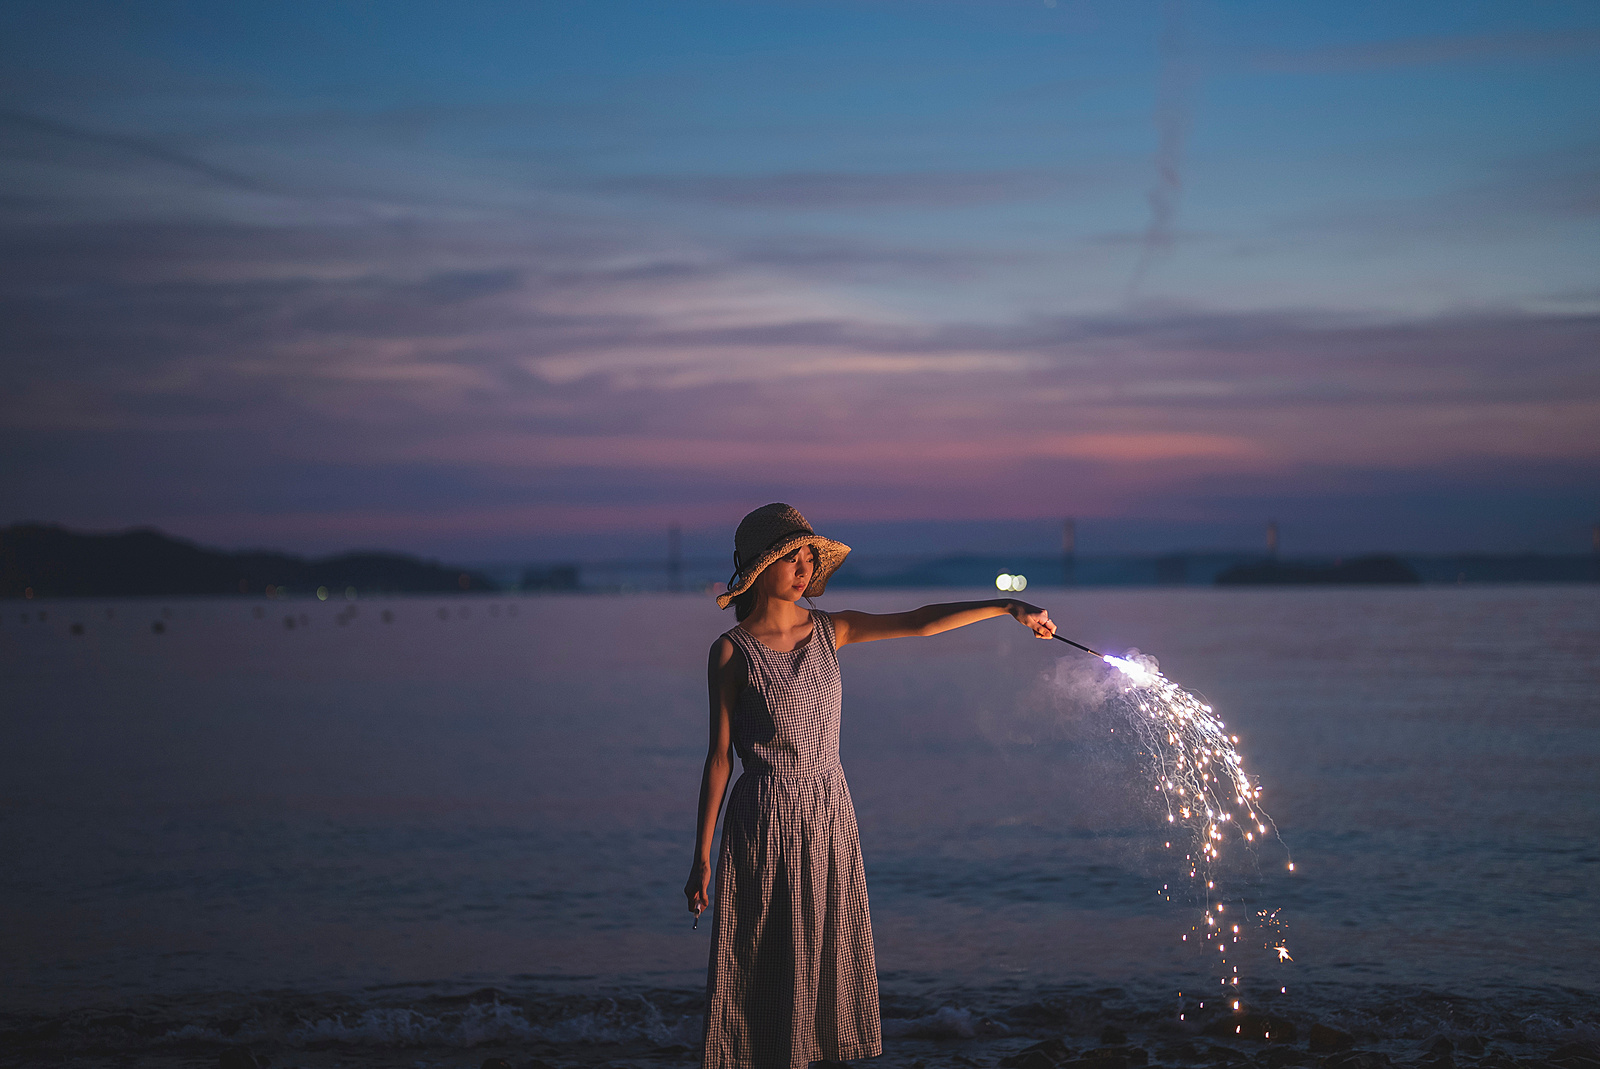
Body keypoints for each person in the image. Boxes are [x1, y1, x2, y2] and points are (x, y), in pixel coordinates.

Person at [685, 503, 1058, 1069]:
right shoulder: (732, 650)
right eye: (793, 556)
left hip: (830, 809)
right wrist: (701, 857)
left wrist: (1007, 606)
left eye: (810, 556)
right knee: (764, 957)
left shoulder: (831, 630)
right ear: (762, 567)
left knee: (826, 953)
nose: (805, 566)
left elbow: (921, 621)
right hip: (763, 818)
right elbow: (718, 759)